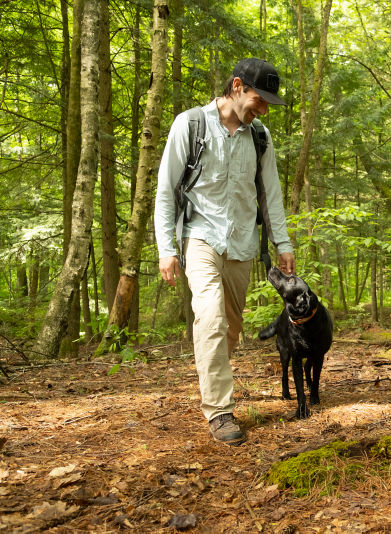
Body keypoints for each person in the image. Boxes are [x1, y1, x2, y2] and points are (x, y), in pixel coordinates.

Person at [154, 58, 295, 446]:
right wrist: (167, 248)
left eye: (267, 103)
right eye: (258, 99)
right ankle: (219, 411)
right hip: (200, 237)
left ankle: (210, 374)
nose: (262, 108)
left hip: (243, 244)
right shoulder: (190, 125)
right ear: (236, 86)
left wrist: (282, 243)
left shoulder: (260, 137)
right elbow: (167, 190)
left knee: (230, 329)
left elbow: (271, 195)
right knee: (211, 319)